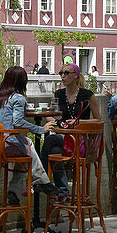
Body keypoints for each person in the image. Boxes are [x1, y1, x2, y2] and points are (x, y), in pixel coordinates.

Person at [0, 66, 61, 205]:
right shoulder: (17, 98)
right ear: (22, 82)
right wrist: (40, 129)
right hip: (5, 145)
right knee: (27, 144)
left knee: (23, 153)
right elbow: (18, 121)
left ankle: (14, 191)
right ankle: (42, 181)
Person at [42, 63, 100, 195]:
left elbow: (98, 119)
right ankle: (63, 192)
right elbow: (48, 117)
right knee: (55, 150)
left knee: (50, 139)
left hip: (81, 141)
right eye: (61, 73)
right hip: (66, 139)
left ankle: (43, 180)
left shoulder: (87, 95)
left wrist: (78, 122)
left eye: (67, 73)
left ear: (76, 76)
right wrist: (59, 122)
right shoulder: (58, 94)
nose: (63, 76)